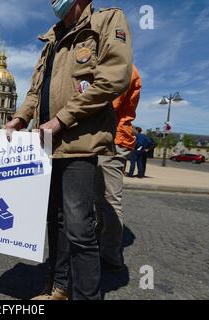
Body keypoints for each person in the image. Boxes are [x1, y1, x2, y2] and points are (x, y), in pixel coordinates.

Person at [6, 0, 133, 300]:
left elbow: (114, 78)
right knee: (54, 222)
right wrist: (20, 118)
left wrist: (62, 119)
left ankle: (87, 296)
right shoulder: (50, 40)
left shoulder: (107, 20)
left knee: (78, 228)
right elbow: (36, 91)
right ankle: (58, 288)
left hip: (79, 143)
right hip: (46, 146)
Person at [94, 65, 142, 272]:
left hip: (113, 140)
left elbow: (109, 104)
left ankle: (111, 253)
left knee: (110, 198)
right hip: (108, 139)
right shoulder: (121, 66)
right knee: (100, 196)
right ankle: (100, 239)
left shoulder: (123, 67)